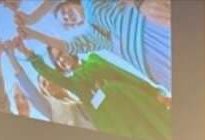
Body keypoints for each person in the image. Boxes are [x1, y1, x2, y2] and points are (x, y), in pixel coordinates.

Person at [16, 39, 171, 140]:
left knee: (160, 130)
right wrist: (28, 54)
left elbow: (123, 75)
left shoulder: (94, 59)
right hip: (112, 119)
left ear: (70, 49)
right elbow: (48, 73)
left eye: (61, 53)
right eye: (57, 60)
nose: (61, 59)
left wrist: (154, 93)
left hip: (132, 101)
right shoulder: (73, 82)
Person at [17, 0, 171, 94]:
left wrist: (32, 18)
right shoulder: (93, 37)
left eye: (64, 11)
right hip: (156, 68)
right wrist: (33, 34)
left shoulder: (91, 3)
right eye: (66, 20)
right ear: (76, 24)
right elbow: (68, 46)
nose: (67, 16)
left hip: (152, 32)